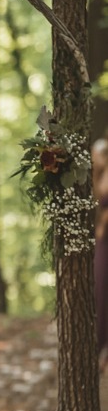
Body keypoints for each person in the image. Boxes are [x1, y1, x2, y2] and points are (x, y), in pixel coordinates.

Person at [93, 137, 108, 369]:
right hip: (103, 240)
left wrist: (102, 226)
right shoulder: (101, 175)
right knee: (99, 286)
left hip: (105, 238)